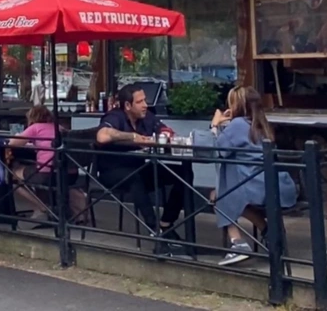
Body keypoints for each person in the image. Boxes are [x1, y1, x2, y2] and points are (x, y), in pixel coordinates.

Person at [95, 83, 193, 247]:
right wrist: (133, 137)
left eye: (145, 100)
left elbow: (166, 130)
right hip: (112, 172)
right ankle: (155, 231)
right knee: (135, 178)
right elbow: (102, 136)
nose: (145, 105)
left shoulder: (147, 116)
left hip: (139, 168)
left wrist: (164, 135)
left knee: (183, 173)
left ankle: (166, 223)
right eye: (140, 102)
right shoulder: (114, 117)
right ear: (127, 105)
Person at [211, 86, 298, 266]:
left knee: (219, 196)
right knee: (229, 193)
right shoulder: (261, 123)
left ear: (237, 105)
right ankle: (269, 232)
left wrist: (215, 125)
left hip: (257, 187)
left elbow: (218, 151)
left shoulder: (237, 125)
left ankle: (238, 244)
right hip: (277, 185)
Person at [8, 105, 88, 226]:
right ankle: (52, 212)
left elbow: (13, 143)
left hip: (48, 173)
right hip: (69, 173)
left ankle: (44, 208)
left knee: (11, 175)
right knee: (42, 173)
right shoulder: (59, 128)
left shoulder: (35, 127)